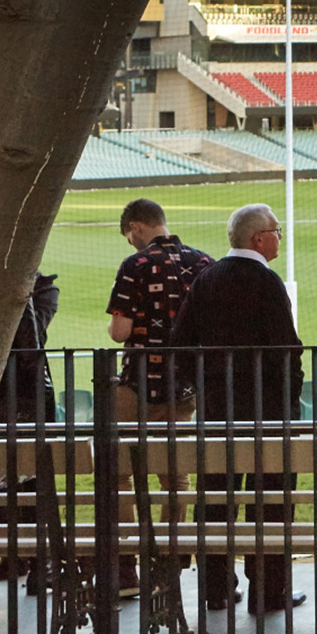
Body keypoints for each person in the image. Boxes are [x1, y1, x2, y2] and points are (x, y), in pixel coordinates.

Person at [168, 204, 305, 616]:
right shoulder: (265, 281)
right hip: (268, 411)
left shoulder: (206, 279)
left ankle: (216, 589)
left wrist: (205, 385)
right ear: (258, 238)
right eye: (275, 231)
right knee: (271, 501)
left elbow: (179, 344)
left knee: (215, 500)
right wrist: (290, 398)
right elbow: (288, 349)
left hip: (217, 411)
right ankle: (268, 591)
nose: (279, 236)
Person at [106, 197, 213, 596]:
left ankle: (125, 570)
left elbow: (119, 332)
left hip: (139, 381)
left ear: (135, 227)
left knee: (119, 472)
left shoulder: (135, 265)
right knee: (176, 474)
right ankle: (168, 564)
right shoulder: (203, 262)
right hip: (185, 385)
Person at [0, 271, 60, 603]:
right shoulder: (42, 292)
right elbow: (32, 346)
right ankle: (24, 568)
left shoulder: (42, 290)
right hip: (13, 401)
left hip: (5, 400)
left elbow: (31, 338)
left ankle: (28, 567)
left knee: (9, 486)